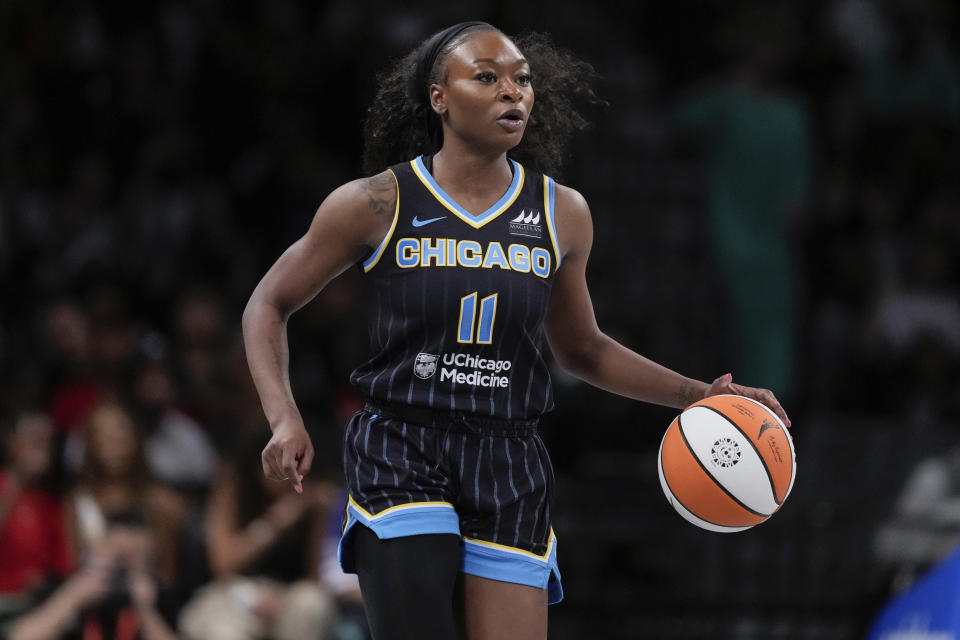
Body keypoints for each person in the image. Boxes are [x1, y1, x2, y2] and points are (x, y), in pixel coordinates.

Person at [242, 21, 792, 640]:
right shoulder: (376, 203)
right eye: (487, 77)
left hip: (509, 456)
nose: (513, 93)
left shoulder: (562, 212)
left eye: (523, 80)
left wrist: (700, 395)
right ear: (438, 96)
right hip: (403, 444)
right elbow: (267, 303)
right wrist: (284, 416)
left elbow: (583, 348)